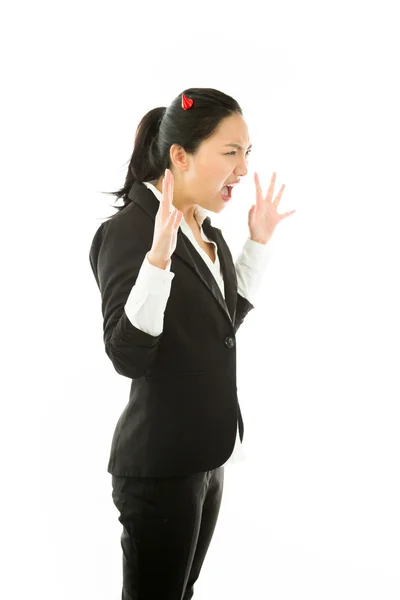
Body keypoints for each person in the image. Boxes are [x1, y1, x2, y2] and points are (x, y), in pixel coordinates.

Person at [89, 87, 295, 599]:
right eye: (231, 152)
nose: (243, 170)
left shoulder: (208, 233)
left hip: (207, 457)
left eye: (248, 153)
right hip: (159, 468)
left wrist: (258, 244)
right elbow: (126, 353)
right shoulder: (130, 231)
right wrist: (157, 259)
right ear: (180, 156)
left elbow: (220, 328)